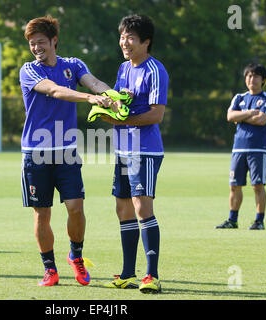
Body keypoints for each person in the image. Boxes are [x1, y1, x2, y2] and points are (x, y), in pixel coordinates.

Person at [19, 15, 117, 287]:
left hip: (66, 151)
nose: (36, 48)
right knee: (42, 213)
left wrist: (114, 96)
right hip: (35, 153)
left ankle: (76, 257)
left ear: (54, 41)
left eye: (41, 42)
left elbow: (94, 83)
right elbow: (54, 91)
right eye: (32, 43)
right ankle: (49, 269)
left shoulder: (73, 65)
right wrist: (89, 98)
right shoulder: (28, 70)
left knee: (75, 208)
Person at [100, 14, 168, 294]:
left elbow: (157, 114)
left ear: (146, 42)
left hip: (145, 150)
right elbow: (120, 103)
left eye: (130, 37)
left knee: (142, 208)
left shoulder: (155, 71)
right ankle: (128, 274)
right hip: (123, 149)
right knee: (123, 209)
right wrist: (106, 105)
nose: (124, 42)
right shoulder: (124, 68)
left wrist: (120, 120)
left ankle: (152, 276)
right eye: (122, 36)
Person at [215, 63, 266, 230]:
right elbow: (229, 115)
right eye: (249, 75)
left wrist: (240, 116)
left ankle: (259, 221)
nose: (251, 79)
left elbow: (262, 119)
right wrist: (250, 113)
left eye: (255, 76)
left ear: (263, 79)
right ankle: (232, 220)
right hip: (238, 148)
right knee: (234, 185)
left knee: (258, 185)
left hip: (258, 148)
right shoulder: (239, 97)